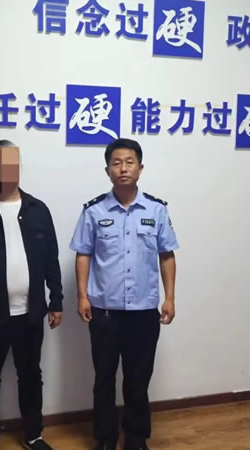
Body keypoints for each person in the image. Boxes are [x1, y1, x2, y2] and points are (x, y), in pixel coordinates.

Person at [69, 138, 179, 450]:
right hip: (104, 310)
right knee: (104, 378)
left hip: (144, 311)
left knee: (138, 378)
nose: (123, 168)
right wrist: (82, 296)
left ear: (140, 168)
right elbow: (83, 254)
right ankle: (105, 438)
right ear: (107, 170)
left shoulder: (156, 210)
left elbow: (167, 255)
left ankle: (135, 437)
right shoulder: (93, 211)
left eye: (129, 162)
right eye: (116, 163)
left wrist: (170, 297)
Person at [0, 139, 63, 450]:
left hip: (30, 314)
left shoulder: (38, 210)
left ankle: (33, 434)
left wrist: (56, 300)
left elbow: (51, 258)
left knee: (30, 375)